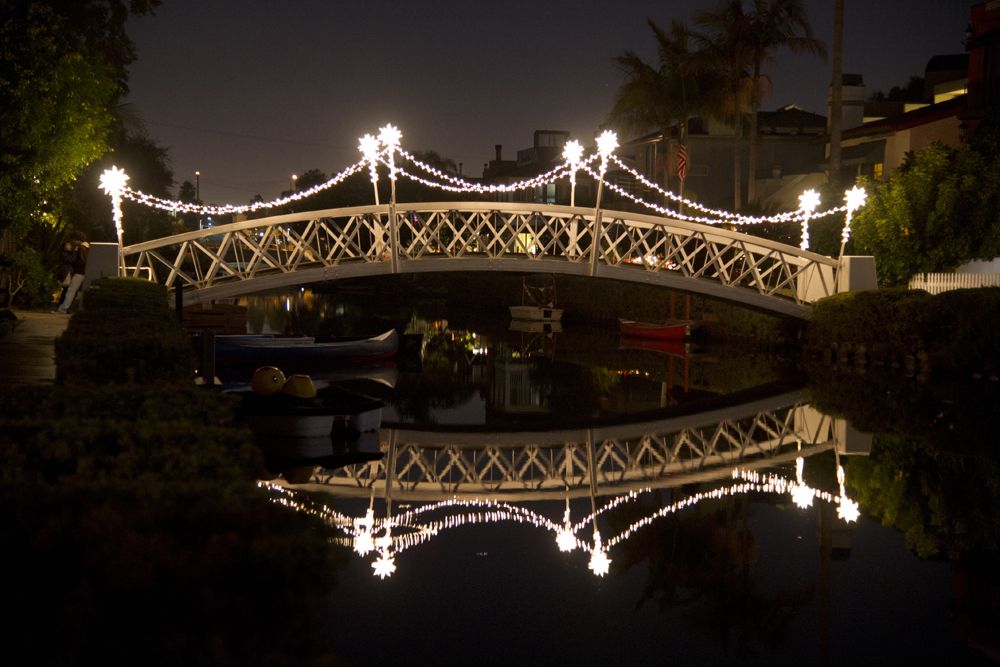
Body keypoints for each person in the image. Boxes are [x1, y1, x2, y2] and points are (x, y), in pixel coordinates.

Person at [54, 231, 89, 313]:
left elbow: (80, 261)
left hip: (79, 272)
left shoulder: (81, 248)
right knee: (73, 291)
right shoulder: (87, 247)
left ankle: (63, 309)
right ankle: (66, 308)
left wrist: (75, 254)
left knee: (71, 291)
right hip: (84, 272)